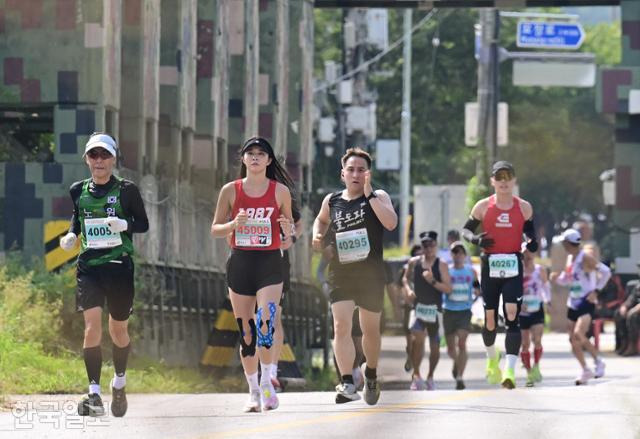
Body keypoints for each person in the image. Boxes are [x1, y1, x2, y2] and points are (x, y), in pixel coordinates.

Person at [59, 132, 149, 417]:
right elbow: (79, 215)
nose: (99, 161)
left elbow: (143, 224)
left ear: (113, 159)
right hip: (90, 267)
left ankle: (119, 382)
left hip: (119, 266)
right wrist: (72, 234)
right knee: (91, 327)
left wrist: (124, 224)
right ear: (86, 159)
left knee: (118, 329)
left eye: (104, 155)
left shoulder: (126, 190)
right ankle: (94, 395)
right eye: (93, 155)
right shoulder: (78, 189)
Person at [210, 137, 294, 412]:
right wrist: (234, 223)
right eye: (250, 153)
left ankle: (269, 379)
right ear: (243, 159)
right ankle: (253, 390)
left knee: (266, 322)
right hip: (241, 263)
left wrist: (285, 231)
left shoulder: (280, 191)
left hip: (270, 263)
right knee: (246, 333)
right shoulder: (230, 191)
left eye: (261, 154)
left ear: (269, 161)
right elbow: (215, 229)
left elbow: (289, 238)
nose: (255, 158)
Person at [312, 147, 397, 405]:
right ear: (343, 174)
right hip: (341, 271)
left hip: (370, 274)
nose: (356, 174)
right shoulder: (332, 200)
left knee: (370, 330)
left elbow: (390, 223)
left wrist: (370, 194)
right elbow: (321, 220)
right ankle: (347, 381)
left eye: (361, 170)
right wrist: (317, 236)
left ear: (368, 174)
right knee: (341, 326)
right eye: (351, 170)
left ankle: (370, 373)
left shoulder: (379, 196)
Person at [462, 161, 538, 389]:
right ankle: (491, 357)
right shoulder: (483, 206)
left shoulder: (524, 207)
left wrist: (532, 244)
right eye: (499, 177)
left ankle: (510, 371)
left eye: (508, 177)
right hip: (490, 265)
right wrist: (476, 240)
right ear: (492, 181)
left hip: (513, 263)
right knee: (491, 319)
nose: (504, 181)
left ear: (514, 181)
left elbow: (530, 234)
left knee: (512, 313)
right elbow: (465, 230)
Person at [550, 228, 611, 385]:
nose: (563, 245)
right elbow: (569, 279)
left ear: (568, 243)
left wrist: (596, 291)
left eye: (564, 242)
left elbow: (606, 272)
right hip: (573, 302)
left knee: (578, 333)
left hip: (586, 301)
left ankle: (598, 361)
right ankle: (585, 369)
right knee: (572, 339)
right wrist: (558, 278)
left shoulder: (585, 257)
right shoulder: (570, 258)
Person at [403, 231, 452, 391]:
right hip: (418, 309)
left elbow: (448, 288)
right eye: (425, 245)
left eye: (431, 245)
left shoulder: (442, 264)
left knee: (435, 347)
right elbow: (405, 278)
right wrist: (408, 290)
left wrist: (432, 281)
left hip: (435, 311)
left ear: (436, 246)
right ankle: (416, 375)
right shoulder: (414, 262)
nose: (428, 248)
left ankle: (430, 376)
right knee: (417, 340)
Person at [270, 203, 302, 392]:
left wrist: (292, 238)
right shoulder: (239, 190)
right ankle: (255, 367)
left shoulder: (281, 192)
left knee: (273, 317)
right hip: (248, 260)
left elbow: (299, 222)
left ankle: (271, 372)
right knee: (252, 318)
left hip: (277, 262)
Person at [443, 241, 480, 390]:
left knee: (462, 344)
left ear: (464, 255)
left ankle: (459, 377)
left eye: (460, 252)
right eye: (454, 252)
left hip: (464, 311)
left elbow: (477, 288)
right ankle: (456, 362)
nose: (457, 255)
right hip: (449, 310)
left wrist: (476, 295)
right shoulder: (447, 271)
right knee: (451, 349)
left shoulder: (471, 271)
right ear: (451, 255)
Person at [519, 243, 551, 387]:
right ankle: (529, 373)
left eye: (530, 252)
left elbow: (545, 287)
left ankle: (536, 365)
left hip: (536, 308)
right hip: (522, 312)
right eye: (525, 252)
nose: (528, 255)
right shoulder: (517, 271)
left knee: (537, 340)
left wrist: (547, 302)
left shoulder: (540, 270)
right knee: (524, 344)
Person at [399, 244, 423, 372]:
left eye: (421, 254)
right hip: (409, 306)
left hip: (422, 306)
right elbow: (401, 285)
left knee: (418, 338)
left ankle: (416, 365)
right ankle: (410, 356)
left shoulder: (428, 267)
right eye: (416, 254)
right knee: (410, 339)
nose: (419, 256)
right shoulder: (406, 268)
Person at [614, 262, 640, 356]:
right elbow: (631, 298)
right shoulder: (638, 285)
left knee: (633, 316)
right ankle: (623, 343)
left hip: (637, 312)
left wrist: (635, 309)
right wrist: (625, 306)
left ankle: (633, 346)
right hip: (636, 310)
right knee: (619, 314)